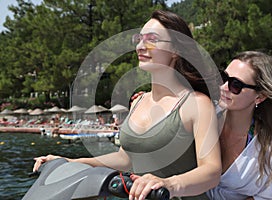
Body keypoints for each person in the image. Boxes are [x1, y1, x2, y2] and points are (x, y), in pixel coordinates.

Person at [33, 10, 222, 200]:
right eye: (139, 39)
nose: (140, 46)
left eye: (151, 39)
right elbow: (125, 159)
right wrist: (70, 162)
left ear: (175, 50)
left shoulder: (197, 104)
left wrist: (168, 185)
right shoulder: (138, 101)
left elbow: (211, 171)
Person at [206, 51, 272, 199]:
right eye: (223, 77)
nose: (224, 87)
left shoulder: (270, 150)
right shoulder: (204, 117)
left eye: (235, 85)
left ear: (260, 96)